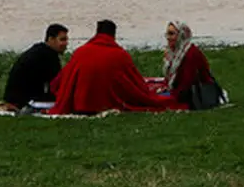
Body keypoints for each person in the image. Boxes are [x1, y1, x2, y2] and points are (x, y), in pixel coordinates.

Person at [48, 20, 188, 115]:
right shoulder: (120, 55)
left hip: (80, 104)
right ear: (113, 35)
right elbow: (135, 84)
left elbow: (62, 79)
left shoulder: (80, 52)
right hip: (105, 102)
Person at [2, 23, 69, 111]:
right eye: (62, 40)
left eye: (66, 40)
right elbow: (58, 84)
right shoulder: (49, 56)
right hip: (26, 101)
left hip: (14, 99)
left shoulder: (39, 50)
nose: (66, 43)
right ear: (51, 39)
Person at [158, 21, 215, 106]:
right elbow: (171, 77)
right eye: (167, 34)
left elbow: (187, 82)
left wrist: (170, 95)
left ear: (181, 36)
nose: (168, 38)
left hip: (197, 92)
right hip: (182, 90)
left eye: (171, 34)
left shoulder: (190, 53)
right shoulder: (175, 52)